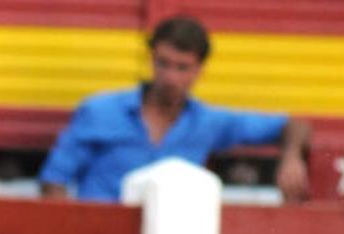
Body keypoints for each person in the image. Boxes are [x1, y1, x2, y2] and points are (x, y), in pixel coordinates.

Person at [39, 15, 311, 203]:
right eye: (163, 63)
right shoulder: (100, 111)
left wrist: (291, 157)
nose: (171, 77)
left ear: (199, 70)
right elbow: (53, 181)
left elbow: (296, 124)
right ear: (151, 59)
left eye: (182, 67)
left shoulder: (208, 122)